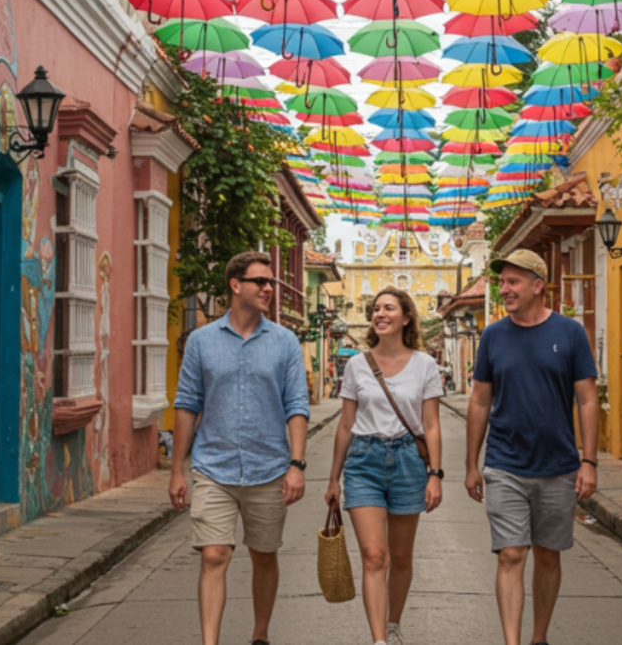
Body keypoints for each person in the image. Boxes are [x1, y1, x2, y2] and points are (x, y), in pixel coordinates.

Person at [170, 251, 310, 645]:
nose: (269, 289)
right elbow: (187, 404)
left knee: (264, 555)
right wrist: (177, 468)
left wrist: (297, 464)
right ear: (236, 285)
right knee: (214, 555)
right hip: (214, 466)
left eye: (271, 283)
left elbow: (296, 405)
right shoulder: (201, 342)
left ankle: (260, 636)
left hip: (269, 468)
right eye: (260, 282)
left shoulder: (284, 342)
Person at [465, 249, 599, 645]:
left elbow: (588, 399)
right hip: (505, 463)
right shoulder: (493, 336)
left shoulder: (570, 333)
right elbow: (479, 401)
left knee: (547, 555)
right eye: (502, 282)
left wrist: (588, 461)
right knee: (510, 554)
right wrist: (472, 463)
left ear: (537, 286)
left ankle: (538, 637)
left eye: (513, 282)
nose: (504, 289)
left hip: (557, 465)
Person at [325, 288, 443, 645]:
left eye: (389, 308)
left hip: (409, 460)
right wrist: (334, 478)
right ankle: (379, 641)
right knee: (375, 555)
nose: (380, 313)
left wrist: (435, 474)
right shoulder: (357, 364)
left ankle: (393, 624)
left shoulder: (425, 364)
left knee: (402, 556)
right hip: (364, 461)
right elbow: (346, 425)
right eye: (376, 308)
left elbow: (432, 425)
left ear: (406, 317)